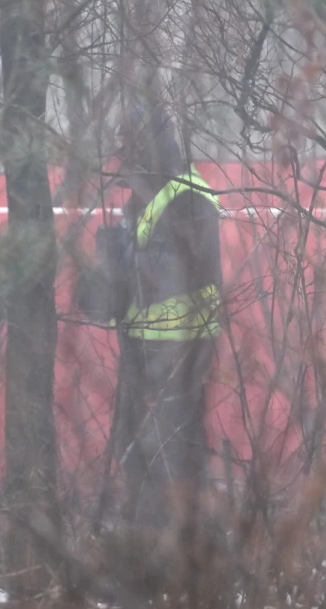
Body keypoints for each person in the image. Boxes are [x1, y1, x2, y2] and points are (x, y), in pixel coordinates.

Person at [78, 102, 224, 530]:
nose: (120, 150)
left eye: (126, 140)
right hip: (148, 346)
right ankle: (153, 539)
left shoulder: (186, 196)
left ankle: (177, 543)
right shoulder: (150, 195)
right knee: (139, 448)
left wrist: (118, 258)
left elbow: (171, 276)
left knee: (167, 452)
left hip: (178, 348)